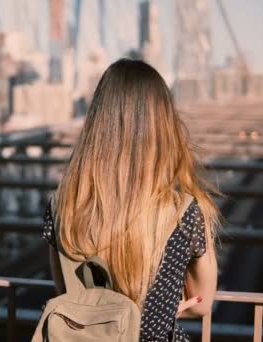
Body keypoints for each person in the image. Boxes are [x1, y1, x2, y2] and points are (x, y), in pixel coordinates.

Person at [41, 59, 219, 341]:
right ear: (163, 126)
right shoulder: (183, 213)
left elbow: (66, 293)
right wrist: (160, 307)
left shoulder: (62, 206)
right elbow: (202, 304)